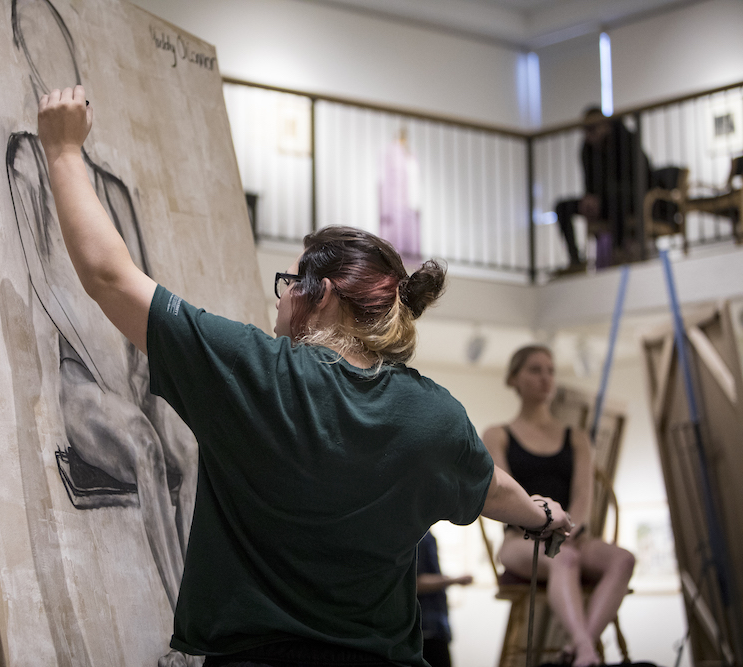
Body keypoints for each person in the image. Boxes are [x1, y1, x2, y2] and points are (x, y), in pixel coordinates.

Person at [37, 85, 572, 667]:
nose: (280, 297)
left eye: (289, 283)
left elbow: (109, 277)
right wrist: (542, 515)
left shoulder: (252, 370)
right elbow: (491, 488)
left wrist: (63, 151)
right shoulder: (435, 415)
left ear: (323, 295)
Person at [482, 345, 636, 667]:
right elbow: (504, 497)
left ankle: (578, 648)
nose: (546, 378)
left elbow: (583, 496)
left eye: (550, 370)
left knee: (623, 559)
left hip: (572, 534)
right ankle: (585, 650)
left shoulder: (577, 437)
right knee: (564, 559)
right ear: (514, 379)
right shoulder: (497, 434)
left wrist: (566, 532)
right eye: (535, 370)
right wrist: (541, 527)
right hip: (519, 538)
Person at [555, 107, 648, 272]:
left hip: (630, 198)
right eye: (586, 130)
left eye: (592, 129)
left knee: (616, 195)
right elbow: (589, 179)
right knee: (562, 207)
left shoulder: (625, 140)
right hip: (604, 201)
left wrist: (601, 196)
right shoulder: (587, 148)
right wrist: (589, 198)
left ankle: (618, 251)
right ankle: (575, 261)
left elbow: (635, 176)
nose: (589, 135)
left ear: (605, 125)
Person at [416, 531, 472, 667]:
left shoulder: (426, 536)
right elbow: (415, 583)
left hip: (433, 627)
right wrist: (454, 580)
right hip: (425, 628)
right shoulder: (419, 536)